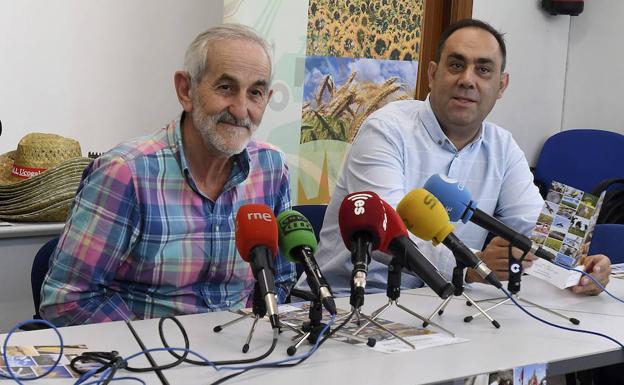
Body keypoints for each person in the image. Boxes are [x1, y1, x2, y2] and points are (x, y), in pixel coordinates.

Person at [298, 18, 610, 296]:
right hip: (346, 301)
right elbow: (389, 236)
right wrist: (472, 265)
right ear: (433, 75)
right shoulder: (385, 130)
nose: (468, 80)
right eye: (456, 65)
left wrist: (580, 266)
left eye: (483, 70)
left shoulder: (502, 146)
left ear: (501, 86)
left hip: (443, 306)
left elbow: (535, 231)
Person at [40, 24, 296, 325]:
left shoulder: (272, 168)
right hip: (149, 360)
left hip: (244, 351)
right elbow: (67, 300)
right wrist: (157, 349)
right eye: (226, 88)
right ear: (186, 90)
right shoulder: (126, 173)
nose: (241, 109)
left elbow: (281, 278)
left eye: (255, 93)